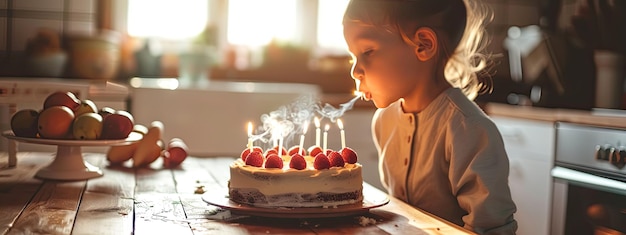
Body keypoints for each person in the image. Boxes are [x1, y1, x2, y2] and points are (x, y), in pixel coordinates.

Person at [342, 0, 518, 234]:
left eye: (367, 52)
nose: (355, 71)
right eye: (353, 56)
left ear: (423, 45)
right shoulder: (384, 122)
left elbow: (491, 229)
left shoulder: (470, 131)